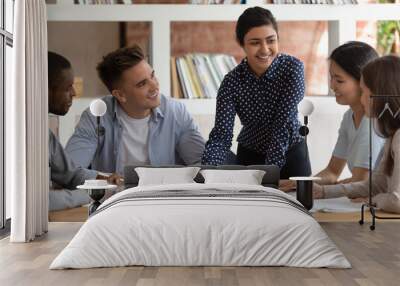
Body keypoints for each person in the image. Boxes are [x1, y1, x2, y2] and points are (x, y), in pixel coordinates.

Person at [201, 6, 310, 179]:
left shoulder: (293, 68)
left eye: (271, 40)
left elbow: (282, 125)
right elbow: (221, 136)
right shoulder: (231, 82)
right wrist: (207, 171)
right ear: (242, 44)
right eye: (255, 42)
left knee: (300, 204)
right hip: (250, 157)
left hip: (292, 154)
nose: (265, 49)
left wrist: (267, 176)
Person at [65, 45, 205, 175]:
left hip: (163, 198)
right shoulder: (96, 116)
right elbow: (71, 170)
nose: (154, 86)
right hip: (115, 198)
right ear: (120, 95)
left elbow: (203, 165)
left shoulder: (176, 112)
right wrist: (106, 180)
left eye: (152, 75)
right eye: (142, 84)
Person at [280, 41, 385, 191]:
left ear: (363, 82)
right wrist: (302, 183)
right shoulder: (350, 116)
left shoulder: (371, 123)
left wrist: (320, 191)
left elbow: (361, 182)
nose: (332, 86)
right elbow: (332, 172)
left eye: (339, 80)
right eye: (331, 78)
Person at [314, 55, 400, 213]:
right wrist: (324, 192)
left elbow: (397, 201)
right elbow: (378, 184)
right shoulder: (393, 134)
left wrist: (373, 200)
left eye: (364, 92)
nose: (361, 100)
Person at [48, 51, 121, 211]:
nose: (74, 93)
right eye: (67, 88)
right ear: (46, 90)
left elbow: (70, 174)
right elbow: (38, 201)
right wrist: (92, 194)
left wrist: (104, 180)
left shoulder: (45, 135)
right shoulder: (16, 136)